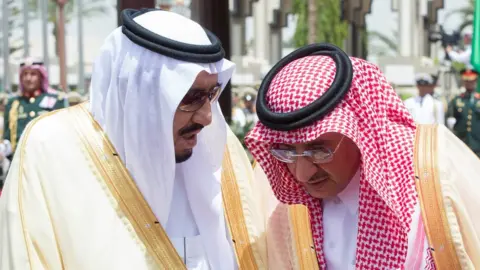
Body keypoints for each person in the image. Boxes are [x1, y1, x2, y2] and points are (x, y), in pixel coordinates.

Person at [0, 9, 298, 269]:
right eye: (191, 97)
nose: (207, 117)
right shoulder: (52, 148)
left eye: (211, 94)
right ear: (140, 92)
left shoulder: (218, 148)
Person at [245, 43, 480, 269]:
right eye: (287, 151)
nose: (301, 174)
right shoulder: (276, 197)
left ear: (361, 130)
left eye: (318, 150)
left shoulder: (436, 171)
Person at [2, 57, 65, 160]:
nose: (28, 78)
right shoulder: (12, 103)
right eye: (25, 74)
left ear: (41, 77)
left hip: (46, 159)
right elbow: (8, 139)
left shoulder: (56, 100)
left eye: (33, 74)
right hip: (19, 162)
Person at [447, 68, 480, 157]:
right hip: (461, 143)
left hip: (477, 144)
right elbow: (450, 118)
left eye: (471, 81)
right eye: (466, 81)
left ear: (476, 81)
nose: (469, 83)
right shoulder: (457, 99)